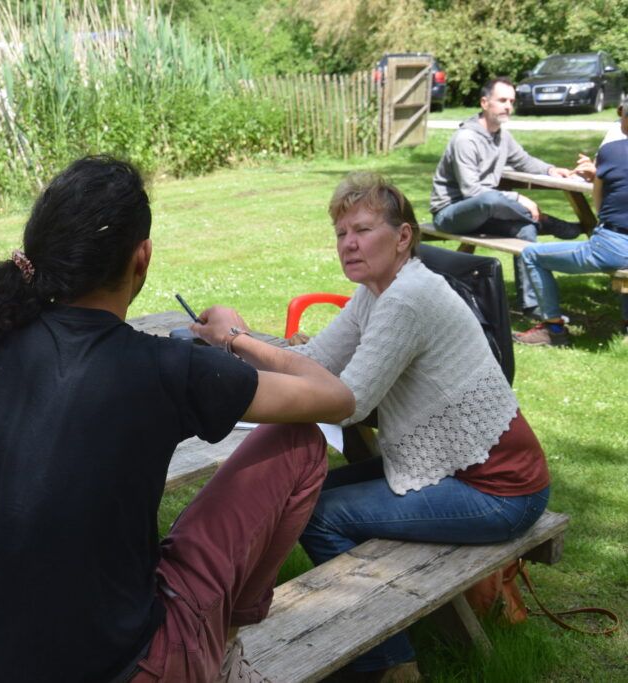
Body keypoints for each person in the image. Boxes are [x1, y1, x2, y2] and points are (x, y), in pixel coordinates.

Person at [0, 155, 354, 682]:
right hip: (134, 665)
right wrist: (237, 338)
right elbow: (334, 397)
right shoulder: (165, 367)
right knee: (302, 443)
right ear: (141, 259)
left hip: (9, 663)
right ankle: (226, 638)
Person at [195, 172, 550, 681]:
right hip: (457, 470)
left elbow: (349, 404)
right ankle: (383, 631)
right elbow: (318, 358)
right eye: (341, 234)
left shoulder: (409, 298)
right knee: (307, 492)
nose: (349, 243)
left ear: (403, 236)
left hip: (501, 492)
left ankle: (389, 663)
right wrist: (237, 343)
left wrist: (236, 340)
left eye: (362, 230)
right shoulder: (378, 292)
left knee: (320, 515)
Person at [430, 77, 582, 318]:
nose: (508, 106)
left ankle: (532, 306)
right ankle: (549, 223)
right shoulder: (465, 139)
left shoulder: (502, 136)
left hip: (484, 213)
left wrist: (551, 169)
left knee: (525, 229)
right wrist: (518, 197)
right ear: (484, 102)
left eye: (511, 101)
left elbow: (524, 160)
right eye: (502, 100)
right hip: (451, 213)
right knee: (491, 200)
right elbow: (472, 192)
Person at [514, 99, 628, 346]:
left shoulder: (613, 150)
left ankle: (553, 329)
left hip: (615, 245)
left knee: (532, 255)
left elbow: (598, 200)